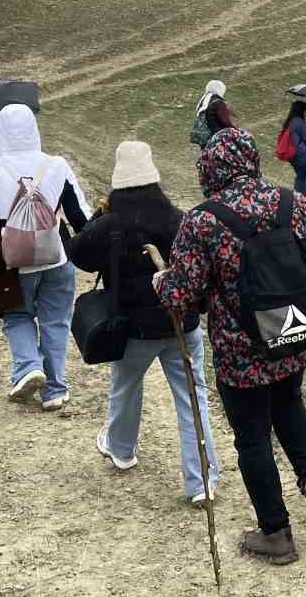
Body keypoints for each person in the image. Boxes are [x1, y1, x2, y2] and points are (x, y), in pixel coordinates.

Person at [155, 128, 306, 565]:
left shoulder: (202, 221)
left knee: (253, 438)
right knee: (290, 403)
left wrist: (163, 283)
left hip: (240, 355)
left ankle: (276, 534)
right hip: (293, 337)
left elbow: (183, 297)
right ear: (252, 160)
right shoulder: (297, 205)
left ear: (209, 168)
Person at [65, 141, 221, 505]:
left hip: (131, 326)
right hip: (182, 324)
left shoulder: (111, 223)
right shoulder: (180, 219)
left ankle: (121, 449)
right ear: (154, 177)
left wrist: (95, 217)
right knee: (192, 398)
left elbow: (80, 256)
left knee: (125, 386)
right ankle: (202, 480)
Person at [0, 104, 90, 410]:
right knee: (56, 322)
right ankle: (55, 390)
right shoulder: (57, 165)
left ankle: (29, 368)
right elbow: (81, 217)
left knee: (17, 316)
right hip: (56, 257)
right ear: (34, 130)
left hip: (12, 264)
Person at [281, 100, 306, 201]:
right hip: (303, 155)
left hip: (294, 157)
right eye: (305, 110)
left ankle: (296, 200)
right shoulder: (299, 122)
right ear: (302, 110)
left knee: (301, 177)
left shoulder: (291, 121)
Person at [192, 80, 235, 148]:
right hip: (218, 139)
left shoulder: (204, 101)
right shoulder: (218, 103)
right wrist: (236, 130)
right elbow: (225, 122)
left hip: (205, 139)